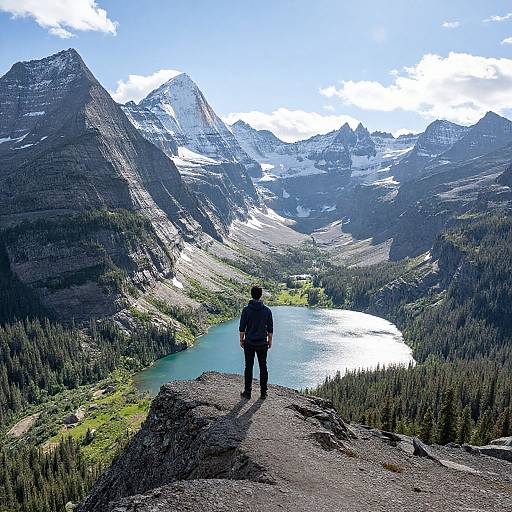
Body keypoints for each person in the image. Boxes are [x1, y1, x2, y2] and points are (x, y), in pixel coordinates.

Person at [239, 285, 273, 399]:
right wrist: (270, 341)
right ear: (261, 295)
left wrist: (241, 340)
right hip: (262, 343)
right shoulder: (267, 310)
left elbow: (242, 327)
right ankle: (263, 393)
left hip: (249, 343)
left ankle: (247, 392)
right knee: (263, 367)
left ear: (251, 294)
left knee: (248, 367)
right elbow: (270, 329)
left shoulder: (246, 309)